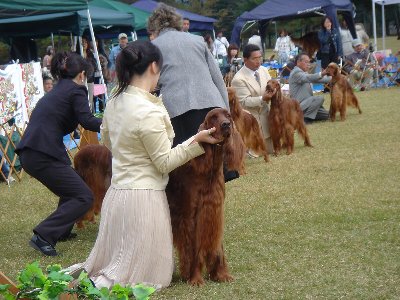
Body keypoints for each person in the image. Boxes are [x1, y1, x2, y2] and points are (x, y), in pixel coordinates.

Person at [79, 40, 222, 289]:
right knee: (153, 279)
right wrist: (197, 142)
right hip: (144, 201)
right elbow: (165, 162)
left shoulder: (114, 101)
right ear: (154, 66)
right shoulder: (149, 110)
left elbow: (108, 142)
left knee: (117, 267)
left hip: (116, 197)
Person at [15, 52, 102, 256]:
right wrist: (113, 122)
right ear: (82, 75)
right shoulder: (76, 90)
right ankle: (43, 235)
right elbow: (87, 121)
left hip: (33, 151)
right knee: (83, 196)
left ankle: (61, 231)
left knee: (72, 188)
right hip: (42, 153)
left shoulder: (59, 90)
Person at [148, 4, 229, 147]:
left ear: (154, 26)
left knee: (187, 160)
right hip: (212, 104)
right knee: (219, 155)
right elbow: (218, 78)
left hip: (176, 109)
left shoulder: (153, 46)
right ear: (177, 22)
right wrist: (226, 110)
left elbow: (153, 82)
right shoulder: (197, 40)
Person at [231, 44, 273, 155]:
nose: (258, 61)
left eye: (260, 57)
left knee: (272, 150)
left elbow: (271, 86)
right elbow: (243, 102)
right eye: (255, 58)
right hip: (252, 125)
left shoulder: (264, 70)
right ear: (245, 60)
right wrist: (262, 99)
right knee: (257, 153)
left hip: (268, 121)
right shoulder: (238, 79)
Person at [288, 54, 330, 124]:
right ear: (298, 62)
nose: (308, 64)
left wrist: (335, 79)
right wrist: (321, 74)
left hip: (308, 105)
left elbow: (318, 79)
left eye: (309, 62)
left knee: (328, 115)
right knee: (319, 98)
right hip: (298, 106)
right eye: (306, 62)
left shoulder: (304, 73)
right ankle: (305, 119)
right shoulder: (296, 72)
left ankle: (307, 116)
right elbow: (309, 78)